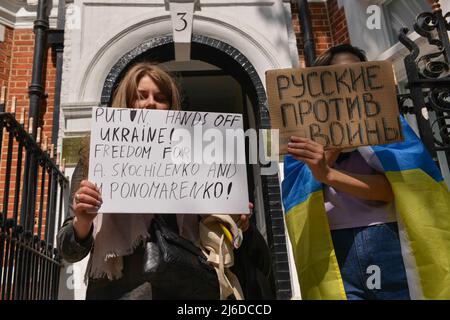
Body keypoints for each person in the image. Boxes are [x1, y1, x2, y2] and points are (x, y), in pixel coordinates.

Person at [57, 62, 272, 300]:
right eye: (141, 96)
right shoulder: (93, 159)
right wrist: (83, 222)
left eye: (161, 97)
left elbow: (225, 238)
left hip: (185, 290)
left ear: (171, 107)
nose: (151, 103)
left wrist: (236, 224)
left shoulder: (197, 159)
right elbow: (69, 252)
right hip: (118, 292)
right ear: (126, 102)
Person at [282, 44, 450, 300]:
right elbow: (301, 191)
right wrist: (334, 142)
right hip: (331, 248)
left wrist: (329, 175)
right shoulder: (302, 135)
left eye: (356, 73)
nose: (346, 82)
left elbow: (391, 191)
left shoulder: (389, 126)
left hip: (386, 240)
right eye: (337, 75)